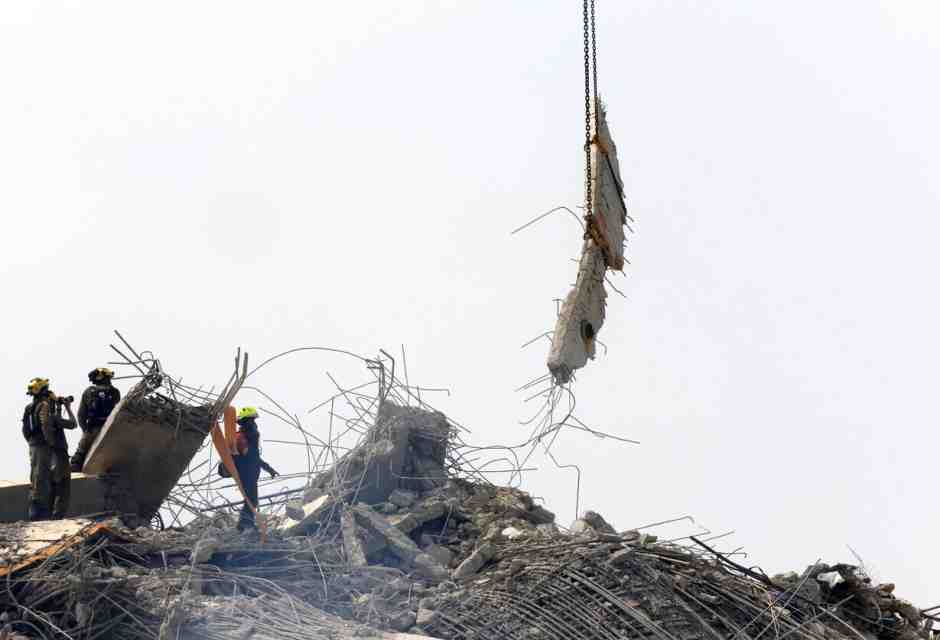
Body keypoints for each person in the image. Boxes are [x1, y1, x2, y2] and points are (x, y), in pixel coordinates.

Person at [22, 378, 77, 520]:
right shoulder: (45, 407)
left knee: (36, 478)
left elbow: (25, 430)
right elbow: (71, 424)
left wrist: (32, 442)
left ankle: (37, 514)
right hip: (49, 449)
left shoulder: (30, 407)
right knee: (53, 483)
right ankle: (46, 516)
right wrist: (67, 407)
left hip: (34, 446)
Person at [232, 407, 278, 532]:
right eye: (251, 421)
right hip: (245, 473)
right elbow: (251, 457)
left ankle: (245, 524)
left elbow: (255, 458)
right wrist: (268, 468)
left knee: (252, 500)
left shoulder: (247, 438)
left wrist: (269, 469)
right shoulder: (241, 438)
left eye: (253, 421)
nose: (254, 424)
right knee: (251, 500)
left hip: (251, 474)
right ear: (245, 422)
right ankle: (244, 525)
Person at [71, 367, 121, 472]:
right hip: (111, 430)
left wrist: (86, 431)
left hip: (92, 429)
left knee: (79, 456)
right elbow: (118, 412)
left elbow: (81, 415)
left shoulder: (89, 392)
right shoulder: (115, 392)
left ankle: (74, 478)